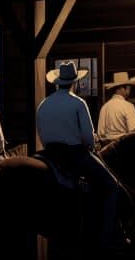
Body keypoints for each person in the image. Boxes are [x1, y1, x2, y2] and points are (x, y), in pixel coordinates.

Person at [38, 62, 122, 245]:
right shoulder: (78, 102)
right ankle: (107, 235)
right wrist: (92, 142)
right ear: (74, 83)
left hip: (49, 153)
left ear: (57, 82)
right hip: (74, 154)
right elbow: (87, 138)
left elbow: (42, 133)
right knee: (111, 184)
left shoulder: (44, 104)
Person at [97, 71, 135, 144]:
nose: (129, 90)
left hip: (108, 149)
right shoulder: (128, 106)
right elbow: (134, 132)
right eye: (128, 87)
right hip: (124, 147)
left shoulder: (105, 107)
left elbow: (100, 133)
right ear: (123, 88)